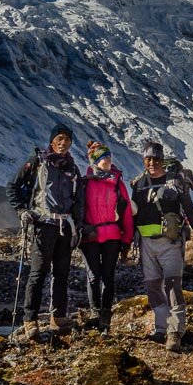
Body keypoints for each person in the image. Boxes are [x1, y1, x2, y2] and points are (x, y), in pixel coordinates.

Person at [7, 123, 84, 340]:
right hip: (43, 226)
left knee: (61, 274)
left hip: (65, 227)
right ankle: (30, 319)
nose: (63, 143)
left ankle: (57, 317)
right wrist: (22, 210)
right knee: (38, 273)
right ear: (52, 141)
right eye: (59, 139)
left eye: (67, 140)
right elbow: (12, 186)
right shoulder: (38, 162)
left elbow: (78, 200)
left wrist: (78, 224)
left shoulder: (72, 168)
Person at [130, 140, 193, 352]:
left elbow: (188, 206)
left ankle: (175, 331)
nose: (152, 163)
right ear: (144, 161)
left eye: (156, 159)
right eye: (148, 159)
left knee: (172, 286)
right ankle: (161, 328)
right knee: (153, 287)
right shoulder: (138, 184)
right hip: (146, 243)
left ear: (162, 160)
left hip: (170, 242)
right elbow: (132, 214)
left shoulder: (174, 181)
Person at [79, 140, 134, 334]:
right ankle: (95, 313)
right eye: (104, 158)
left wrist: (127, 240)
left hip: (112, 235)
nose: (109, 161)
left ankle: (105, 316)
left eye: (110, 157)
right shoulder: (85, 183)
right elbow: (77, 209)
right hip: (90, 236)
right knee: (93, 276)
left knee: (107, 277)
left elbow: (126, 211)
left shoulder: (117, 183)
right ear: (95, 161)